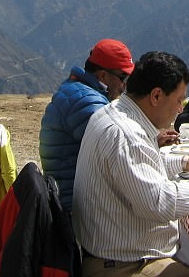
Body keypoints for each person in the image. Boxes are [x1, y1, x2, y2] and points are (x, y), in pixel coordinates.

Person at [73, 51, 189, 277]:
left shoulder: (116, 113)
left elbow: (140, 167)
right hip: (123, 265)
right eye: (179, 100)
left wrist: (186, 162)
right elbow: (161, 202)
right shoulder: (127, 135)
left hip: (116, 253)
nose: (180, 109)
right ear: (156, 96)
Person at [39, 38, 136, 212]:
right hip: (75, 209)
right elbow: (119, 154)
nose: (124, 86)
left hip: (66, 196)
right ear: (103, 75)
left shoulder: (77, 91)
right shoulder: (86, 103)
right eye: (122, 77)